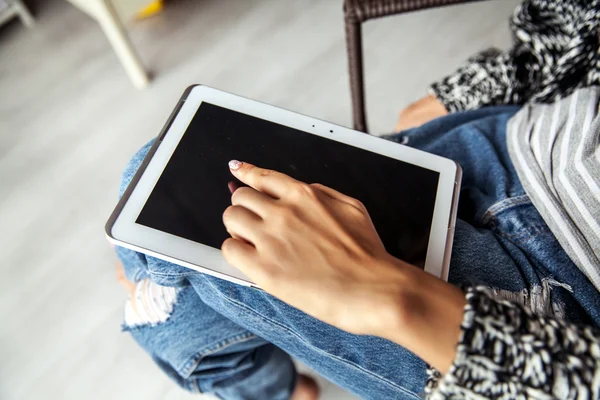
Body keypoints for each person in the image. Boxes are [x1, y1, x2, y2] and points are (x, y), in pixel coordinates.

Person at [114, 1, 600, 398]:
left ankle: (271, 390)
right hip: (523, 135)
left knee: (153, 223)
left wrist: (394, 295)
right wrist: (492, 82)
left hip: (557, 298)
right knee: (167, 190)